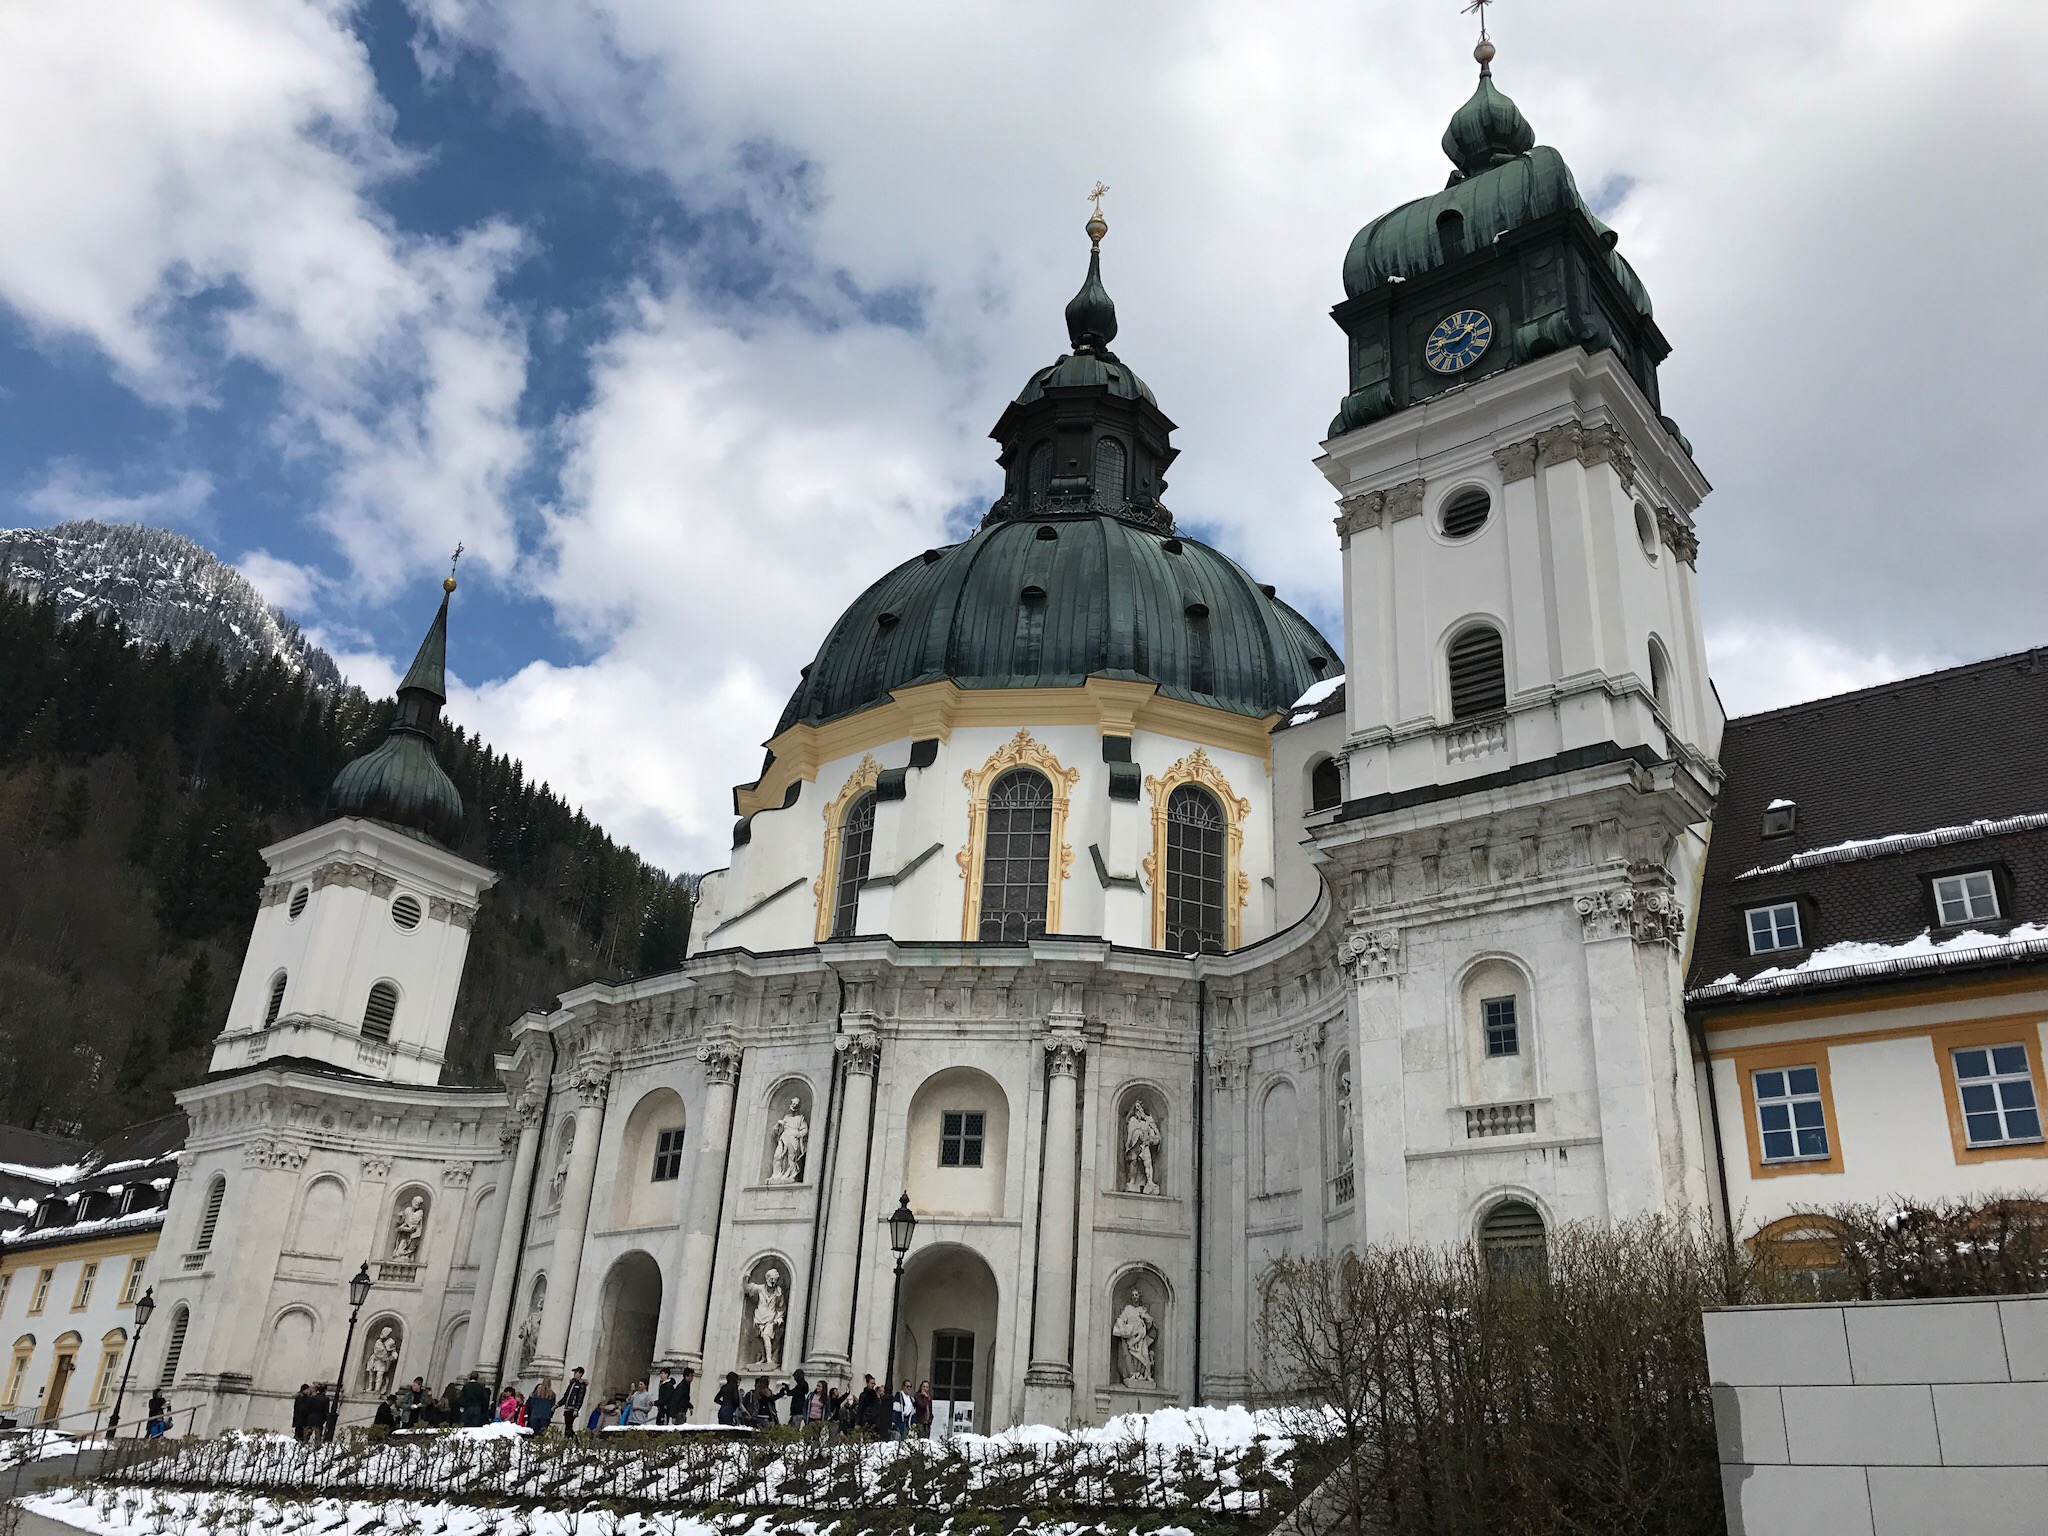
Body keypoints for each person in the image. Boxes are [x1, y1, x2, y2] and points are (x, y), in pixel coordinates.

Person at [559, 1368, 588, 1440]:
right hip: (567, 1407)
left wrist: (576, 1409)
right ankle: (571, 1439)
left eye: (576, 1372)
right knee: (568, 1426)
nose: (574, 1374)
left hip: (572, 1409)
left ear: (580, 1374)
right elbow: (566, 1396)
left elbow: (580, 1398)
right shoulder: (572, 1383)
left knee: (568, 1426)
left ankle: (572, 1440)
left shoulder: (581, 1385)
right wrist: (558, 1404)